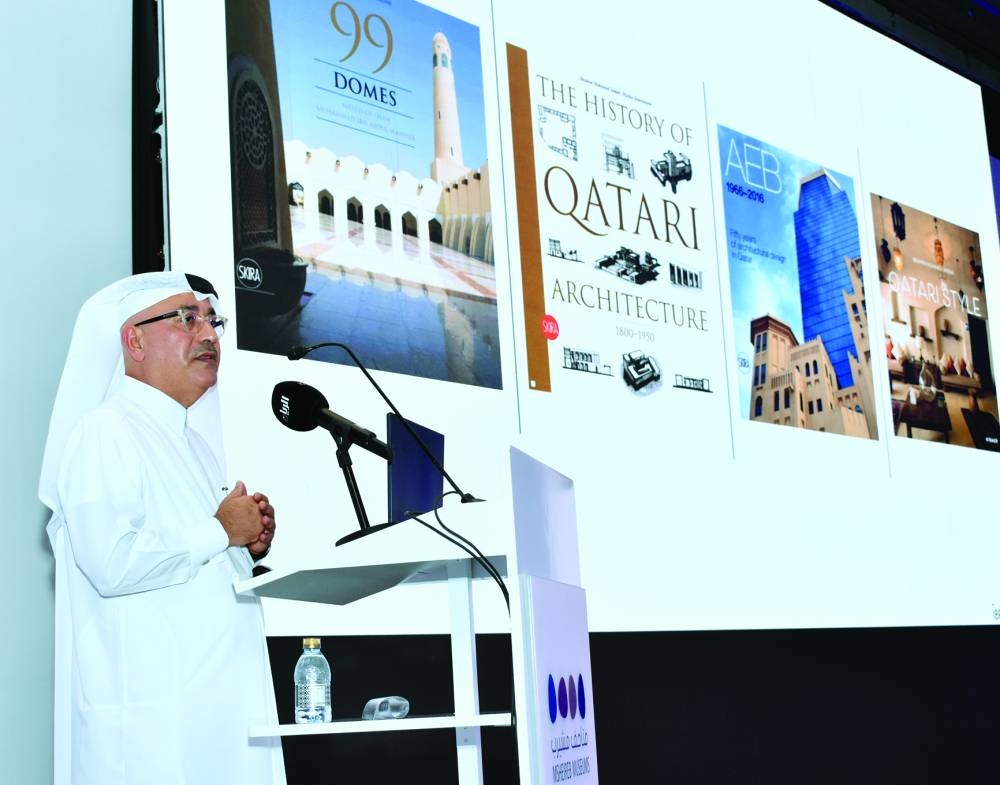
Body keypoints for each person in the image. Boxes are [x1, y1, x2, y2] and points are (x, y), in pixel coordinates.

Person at [38, 271, 285, 784]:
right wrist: (221, 530)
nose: (209, 335)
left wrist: (247, 546)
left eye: (212, 321)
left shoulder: (191, 444)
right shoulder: (105, 431)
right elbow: (111, 562)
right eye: (187, 319)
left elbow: (188, 561)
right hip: (154, 738)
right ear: (134, 340)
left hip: (214, 724)